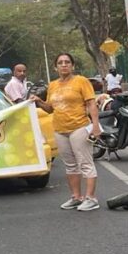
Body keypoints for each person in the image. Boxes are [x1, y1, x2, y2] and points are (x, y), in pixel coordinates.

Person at [30, 53, 101, 211]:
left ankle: (91, 198)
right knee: (70, 166)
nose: (64, 65)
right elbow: (50, 109)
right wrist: (39, 101)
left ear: (72, 66)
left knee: (85, 163)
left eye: (67, 62)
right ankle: (76, 197)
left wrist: (95, 126)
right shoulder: (53, 85)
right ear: (56, 67)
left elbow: (91, 104)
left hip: (79, 127)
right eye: (60, 63)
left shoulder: (81, 81)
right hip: (60, 130)